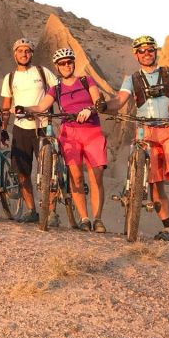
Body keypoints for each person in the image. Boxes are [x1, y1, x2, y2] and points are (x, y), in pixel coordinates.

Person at [105, 35, 169, 242]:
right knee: (154, 183)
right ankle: (168, 229)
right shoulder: (131, 79)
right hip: (145, 131)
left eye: (150, 50)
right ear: (136, 54)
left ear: (155, 52)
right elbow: (119, 101)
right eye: (142, 51)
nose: (147, 54)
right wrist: (105, 106)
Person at [25, 48, 108, 232]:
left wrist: (90, 109)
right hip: (69, 135)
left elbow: (98, 101)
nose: (66, 65)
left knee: (97, 176)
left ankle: (98, 218)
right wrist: (24, 108)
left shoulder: (86, 81)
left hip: (92, 132)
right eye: (62, 63)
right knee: (76, 177)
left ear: (73, 63)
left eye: (69, 62)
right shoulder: (57, 89)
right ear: (57, 67)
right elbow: (41, 106)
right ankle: (85, 218)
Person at [0, 38, 58, 223]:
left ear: (31, 53)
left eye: (27, 51)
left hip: (42, 126)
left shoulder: (42, 72)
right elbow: (6, 105)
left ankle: (51, 213)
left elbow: (57, 89)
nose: (24, 54)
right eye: (20, 51)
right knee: (22, 172)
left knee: (49, 170)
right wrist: (3, 128)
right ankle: (32, 210)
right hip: (21, 128)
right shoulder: (9, 78)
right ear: (14, 54)